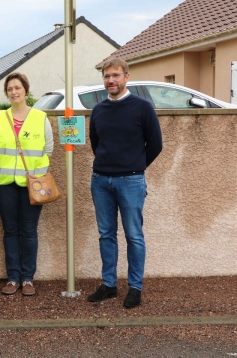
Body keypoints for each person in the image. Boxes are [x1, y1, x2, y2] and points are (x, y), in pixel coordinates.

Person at [87, 58, 163, 308]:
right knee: (106, 234)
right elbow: (96, 144)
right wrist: (109, 165)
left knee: (134, 235)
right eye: (107, 76)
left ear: (127, 77)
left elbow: (155, 145)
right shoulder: (98, 110)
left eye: (115, 75)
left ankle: (135, 288)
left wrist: (134, 167)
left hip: (131, 181)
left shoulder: (143, 107)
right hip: (101, 181)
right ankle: (109, 284)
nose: (111, 80)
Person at [0, 72, 54, 296]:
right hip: (4, 184)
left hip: (32, 185)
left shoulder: (40, 118)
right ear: (7, 93)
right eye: (10, 89)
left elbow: (49, 149)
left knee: (30, 231)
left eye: (18, 88)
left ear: (26, 90)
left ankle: (28, 279)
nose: (14, 92)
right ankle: (13, 278)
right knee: (10, 231)